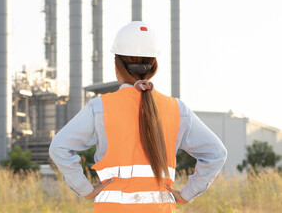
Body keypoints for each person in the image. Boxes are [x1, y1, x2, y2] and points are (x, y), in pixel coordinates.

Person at [49, 21, 228, 212]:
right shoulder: (177, 109)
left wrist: (85, 189)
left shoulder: (100, 107)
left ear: (117, 65)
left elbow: (59, 147)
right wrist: (186, 194)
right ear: (154, 66)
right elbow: (216, 154)